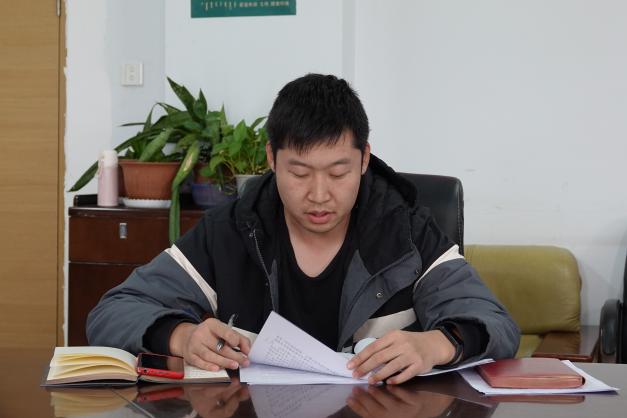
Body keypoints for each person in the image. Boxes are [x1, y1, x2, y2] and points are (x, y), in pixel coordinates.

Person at [87, 74, 520, 385]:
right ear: (271, 159)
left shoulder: (404, 230)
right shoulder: (233, 229)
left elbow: (495, 323)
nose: (318, 195)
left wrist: (436, 345)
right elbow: (113, 311)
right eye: (299, 173)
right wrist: (181, 336)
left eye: (338, 173)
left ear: (364, 159)